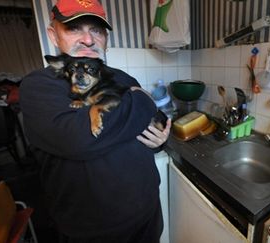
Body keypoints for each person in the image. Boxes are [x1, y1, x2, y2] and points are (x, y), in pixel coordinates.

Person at [19, 0, 171, 242]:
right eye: (74, 28)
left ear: (106, 38)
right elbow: (80, 140)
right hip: (94, 230)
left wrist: (158, 140)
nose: (88, 40)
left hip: (147, 213)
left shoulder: (122, 77)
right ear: (53, 34)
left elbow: (146, 123)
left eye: (97, 30)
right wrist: (143, 99)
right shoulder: (39, 85)